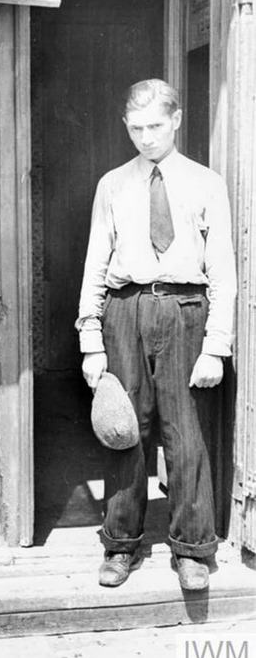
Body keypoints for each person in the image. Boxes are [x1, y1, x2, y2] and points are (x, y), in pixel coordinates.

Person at [76, 79, 236, 590]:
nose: (146, 138)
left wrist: (215, 345)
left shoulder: (206, 182)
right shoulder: (113, 185)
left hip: (187, 309)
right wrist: (91, 340)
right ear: (126, 125)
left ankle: (191, 548)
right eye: (136, 128)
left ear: (177, 120)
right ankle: (121, 544)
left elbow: (224, 271)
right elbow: (95, 263)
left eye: (156, 127)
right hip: (126, 309)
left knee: (186, 432)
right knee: (126, 429)